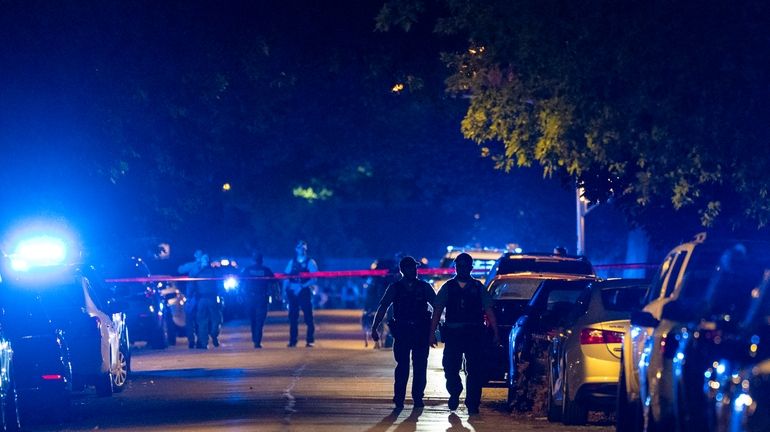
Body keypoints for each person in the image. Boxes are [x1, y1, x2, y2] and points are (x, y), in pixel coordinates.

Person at [429, 252, 499, 415]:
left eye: (465, 266)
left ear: (470, 268)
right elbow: (437, 310)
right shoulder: (448, 287)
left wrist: (496, 332)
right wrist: (431, 333)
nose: (462, 269)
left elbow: (489, 310)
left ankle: (473, 403)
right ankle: (455, 391)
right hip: (453, 334)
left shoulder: (477, 287)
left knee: (475, 369)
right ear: (456, 267)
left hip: (474, 333)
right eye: (459, 266)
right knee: (450, 368)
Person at [371, 256, 436, 410]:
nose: (415, 270)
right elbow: (383, 307)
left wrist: (433, 329)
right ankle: (399, 397)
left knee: (420, 366)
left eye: (415, 268)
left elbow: (437, 306)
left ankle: (418, 397)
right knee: (402, 366)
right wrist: (375, 328)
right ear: (403, 270)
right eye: (411, 268)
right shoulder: (395, 288)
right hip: (402, 332)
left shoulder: (424, 287)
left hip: (420, 331)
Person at [283, 240, 318, 347]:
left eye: (303, 247)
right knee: (293, 317)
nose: (301, 249)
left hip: (304, 291)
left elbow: (314, 278)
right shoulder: (291, 262)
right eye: (299, 247)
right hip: (293, 293)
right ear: (296, 249)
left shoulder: (310, 262)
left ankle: (310, 340)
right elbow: (286, 277)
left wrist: (302, 286)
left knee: (308, 316)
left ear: (306, 249)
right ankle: (293, 340)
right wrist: (285, 291)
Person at [242, 252, 276, 348]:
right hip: (261, 297)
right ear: (262, 260)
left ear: (252, 260)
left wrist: (241, 295)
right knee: (259, 320)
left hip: (251, 297)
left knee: (253, 320)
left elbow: (241, 282)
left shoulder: (247, 270)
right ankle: (257, 340)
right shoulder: (266, 270)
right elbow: (273, 281)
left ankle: (256, 339)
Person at [189, 254, 222, 349]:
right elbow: (220, 283)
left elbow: (192, 286)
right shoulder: (209, 272)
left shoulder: (200, 272)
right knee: (210, 321)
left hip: (207, 299)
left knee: (208, 321)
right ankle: (209, 338)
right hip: (207, 299)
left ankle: (208, 339)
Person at [178, 249, 204, 349]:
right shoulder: (194, 266)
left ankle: (198, 341)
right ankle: (193, 341)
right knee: (191, 320)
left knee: (198, 321)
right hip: (192, 297)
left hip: (199, 297)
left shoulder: (204, 266)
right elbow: (180, 269)